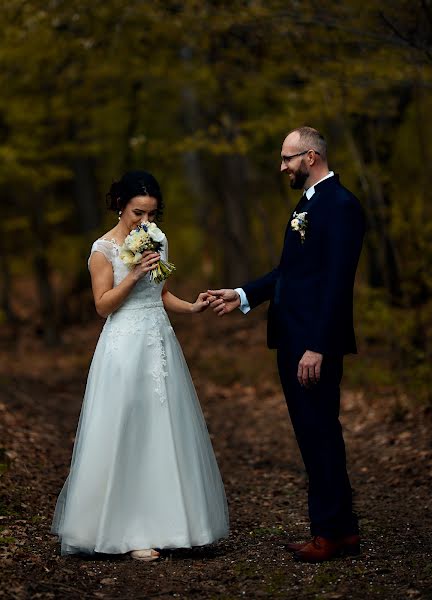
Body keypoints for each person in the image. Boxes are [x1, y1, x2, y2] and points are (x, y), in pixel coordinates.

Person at [52, 170, 229, 561]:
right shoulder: (102, 250)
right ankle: (124, 529)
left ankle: (174, 525)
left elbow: (162, 293)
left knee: (163, 429)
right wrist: (132, 274)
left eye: (151, 214)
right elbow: (102, 306)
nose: (145, 222)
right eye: (138, 213)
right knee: (125, 429)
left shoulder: (158, 240)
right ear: (120, 206)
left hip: (159, 341)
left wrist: (193, 307)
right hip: (123, 345)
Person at [208, 127, 365, 563]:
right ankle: (342, 529)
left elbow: (337, 284)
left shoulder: (341, 206)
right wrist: (240, 295)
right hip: (294, 338)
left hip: (313, 344)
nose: (283, 167)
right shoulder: (309, 205)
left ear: (311, 157)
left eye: (287, 159)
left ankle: (330, 533)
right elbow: (289, 273)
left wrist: (318, 345)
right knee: (314, 435)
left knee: (319, 434)